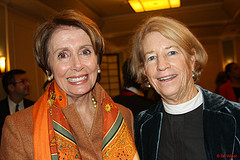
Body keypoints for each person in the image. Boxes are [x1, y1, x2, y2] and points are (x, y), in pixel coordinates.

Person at [0, 9, 139, 160]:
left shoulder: (124, 115)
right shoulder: (19, 127)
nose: (77, 65)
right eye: (63, 55)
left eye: (85, 52)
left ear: (98, 61)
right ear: (48, 69)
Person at [131, 16, 240, 160]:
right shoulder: (141, 125)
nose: (161, 65)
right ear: (144, 70)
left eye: (171, 52)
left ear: (192, 58)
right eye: (151, 57)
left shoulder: (235, 117)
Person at [0, 69, 35, 142]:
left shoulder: (34, 106)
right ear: (11, 87)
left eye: (27, 81)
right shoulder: (1, 107)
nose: (28, 84)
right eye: (23, 82)